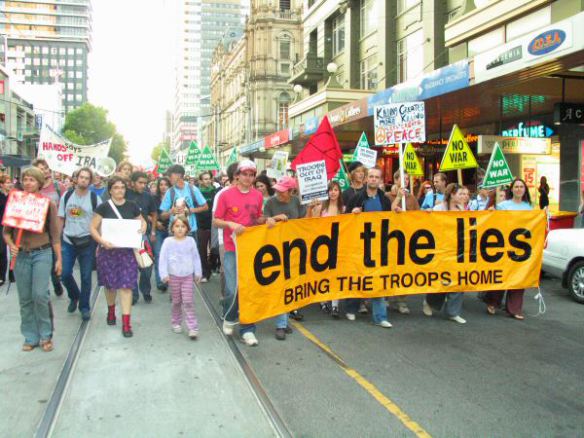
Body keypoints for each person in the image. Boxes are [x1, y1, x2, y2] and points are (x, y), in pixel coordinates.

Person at [4, 167, 62, 352]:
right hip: (21, 254)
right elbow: (6, 232)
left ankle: (46, 334)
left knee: (40, 295)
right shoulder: (14, 202)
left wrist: (59, 259)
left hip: (42, 253)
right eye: (25, 179)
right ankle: (30, 335)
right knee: (25, 298)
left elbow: (55, 234)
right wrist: (11, 244)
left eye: (32, 179)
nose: (28, 182)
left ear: (39, 182)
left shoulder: (47, 204)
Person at [213, 160, 266, 346]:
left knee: (249, 289)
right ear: (237, 175)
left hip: (251, 249)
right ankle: (230, 315)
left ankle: (248, 329)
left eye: (252, 175)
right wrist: (230, 224)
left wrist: (268, 220)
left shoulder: (258, 195)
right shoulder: (225, 195)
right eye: (245, 174)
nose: (248, 178)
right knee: (232, 288)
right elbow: (216, 220)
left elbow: (258, 218)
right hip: (231, 248)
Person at [90, 176, 146, 337]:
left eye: (122, 187)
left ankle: (126, 324)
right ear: (110, 190)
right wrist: (102, 241)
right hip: (108, 252)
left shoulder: (132, 206)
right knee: (110, 285)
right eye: (116, 187)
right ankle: (111, 310)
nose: (119, 190)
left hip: (127, 252)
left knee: (126, 286)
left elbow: (142, 222)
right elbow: (93, 228)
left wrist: (142, 227)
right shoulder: (103, 207)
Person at [344, 167, 392, 328]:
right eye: (370, 176)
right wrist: (352, 213)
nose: (373, 179)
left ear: (379, 180)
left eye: (376, 177)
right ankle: (351, 307)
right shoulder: (356, 198)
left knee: (378, 279)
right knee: (358, 277)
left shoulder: (385, 200)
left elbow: (390, 221)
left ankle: (380, 317)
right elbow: (344, 221)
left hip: (379, 245)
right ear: (366, 179)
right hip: (359, 245)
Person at [264, 175, 307, 340]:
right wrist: (274, 218)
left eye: (282, 191)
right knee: (281, 286)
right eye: (277, 191)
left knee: (290, 285)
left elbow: (304, 221)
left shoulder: (296, 201)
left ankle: (284, 320)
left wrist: (313, 208)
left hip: (294, 249)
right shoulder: (270, 203)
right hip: (275, 250)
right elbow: (262, 220)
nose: (278, 194)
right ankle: (281, 324)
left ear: (291, 191)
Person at [484, 178, 532, 320]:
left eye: (521, 187)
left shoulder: (529, 207)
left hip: (520, 248)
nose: (518, 189)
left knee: (518, 277)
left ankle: (515, 309)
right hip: (504, 245)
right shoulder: (503, 205)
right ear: (511, 189)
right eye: (516, 186)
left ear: (524, 190)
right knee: (501, 274)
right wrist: (491, 210)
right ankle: (493, 302)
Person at [58, 167, 101, 321]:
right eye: (81, 177)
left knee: (86, 276)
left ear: (90, 181)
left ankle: (84, 307)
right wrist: (57, 239)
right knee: (64, 274)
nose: (83, 180)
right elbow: (61, 218)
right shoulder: (67, 196)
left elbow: (100, 222)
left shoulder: (95, 199)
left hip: (87, 242)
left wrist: (99, 243)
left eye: (86, 178)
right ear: (76, 179)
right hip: (68, 240)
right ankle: (74, 296)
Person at [422, 183, 467, 324]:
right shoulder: (439, 208)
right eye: (461, 194)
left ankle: (453, 312)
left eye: (465, 194)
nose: (464, 197)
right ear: (452, 194)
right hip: (442, 249)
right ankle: (430, 302)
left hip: (459, 250)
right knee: (442, 280)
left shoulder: (464, 210)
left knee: (459, 280)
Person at [159, 215, 202, 339]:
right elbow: (162, 259)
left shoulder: (191, 241)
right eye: (177, 226)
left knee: (188, 301)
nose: (180, 229)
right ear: (172, 228)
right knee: (176, 301)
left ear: (187, 229)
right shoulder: (168, 242)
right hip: (173, 277)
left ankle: (193, 327)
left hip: (187, 276)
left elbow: (195, 257)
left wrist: (198, 272)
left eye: (183, 226)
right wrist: (164, 274)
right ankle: (176, 322)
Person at [306, 180, 344, 318]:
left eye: (335, 190)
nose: (333, 192)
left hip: (338, 244)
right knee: (323, 274)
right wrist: (311, 208)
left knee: (336, 275)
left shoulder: (343, 209)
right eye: (330, 190)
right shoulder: (321, 207)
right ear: (327, 192)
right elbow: (313, 222)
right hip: (322, 244)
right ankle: (323, 301)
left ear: (339, 192)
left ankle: (335, 305)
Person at [387, 169, 419, 315]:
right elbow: (386, 212)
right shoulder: (387, 196)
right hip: (391, 238)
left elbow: (418, 217)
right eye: (403, 178)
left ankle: (402, 300)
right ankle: (388, 296)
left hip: (408, 237)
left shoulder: (412, 198)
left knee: (404, 269)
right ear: (395, 180)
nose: (406, 181)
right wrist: (398, 198)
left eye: (407, 179)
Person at [33, 158, 65, 297]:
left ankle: (56, 281)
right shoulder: (32, 188)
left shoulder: (59, 187)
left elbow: (68, 209)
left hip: (56, 231)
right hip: (38, 234)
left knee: (54, 260)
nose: (44, 171)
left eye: (46, 168)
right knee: (43, 263)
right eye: (41, 168)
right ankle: (43, 289)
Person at [126, 171, 158, 304]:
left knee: (147, 265)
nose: (143, 185)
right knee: (130, 266)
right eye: (140, 183)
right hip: (126, 234)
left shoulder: (148, 196)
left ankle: (145, 290)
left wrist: (153, 232)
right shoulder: (125, 193)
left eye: (145, 183)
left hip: (142, 234)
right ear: (132, 183)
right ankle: (133, 295)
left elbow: (154, 213)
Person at [159, 164, 208, 241]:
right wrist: (171, 212)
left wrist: (190, 210)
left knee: (191, 253)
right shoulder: (169, 192)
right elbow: (162, 216)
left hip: (190, 230)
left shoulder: (192, 189)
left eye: (170, 176)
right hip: (174, 231)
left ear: (178, 175)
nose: (168, 178)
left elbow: (205, 207)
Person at [196, 171, 217, 283]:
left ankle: (213, 266)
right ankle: (205, 272)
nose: (207, 181)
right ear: (200, 181)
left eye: (209, 178)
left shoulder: (215, 192)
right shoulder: (196, 192)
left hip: (214, 224)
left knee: (214, 249)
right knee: (202, 250)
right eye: (205, 179)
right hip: (201, 225)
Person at [153, 177, 171, 291]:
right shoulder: (154, 198)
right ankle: (160, 281)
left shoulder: (173, 197)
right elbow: (150, 212)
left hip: (171, 229)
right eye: (161, 184)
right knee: (159, 254)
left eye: (166, 184)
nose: (163, 187)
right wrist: (156, 223)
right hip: (159, 229)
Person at [0, 175, 11, 286]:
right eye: (7, 182)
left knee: (14, 249)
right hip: (2, 226)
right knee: (2, 251)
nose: (9, 184)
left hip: (13, 225)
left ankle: (12, 273)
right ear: (2, 184)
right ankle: (2, 276)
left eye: (9, 182)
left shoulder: (14, 196)